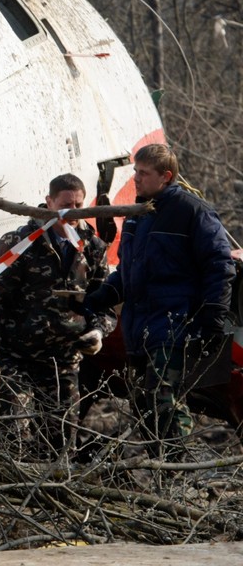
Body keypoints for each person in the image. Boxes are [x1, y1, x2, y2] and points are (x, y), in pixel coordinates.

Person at [86, 143, 235, 454]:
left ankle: (176, 474)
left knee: (162, 398)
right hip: (140, 327)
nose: (136, 179)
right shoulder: (137, 215)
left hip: (177, 324)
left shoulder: (191, 211)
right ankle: (165, 472)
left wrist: (213, 313)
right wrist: (101, 297)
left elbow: (220, 263)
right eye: (135, 172)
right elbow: (127, 272)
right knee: (143, 403)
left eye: (143, 173)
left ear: (165, 177)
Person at [0, 174, 115, 459]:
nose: (72, 213)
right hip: (18, 357)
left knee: (61, 442)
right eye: (65, 205)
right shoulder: (19, 243)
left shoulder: (93, 248)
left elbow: (104, 304)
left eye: (78, 205)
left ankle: (50, 497)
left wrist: (98, 332)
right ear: (49, 202)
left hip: (64, 361)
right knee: (13, 436)